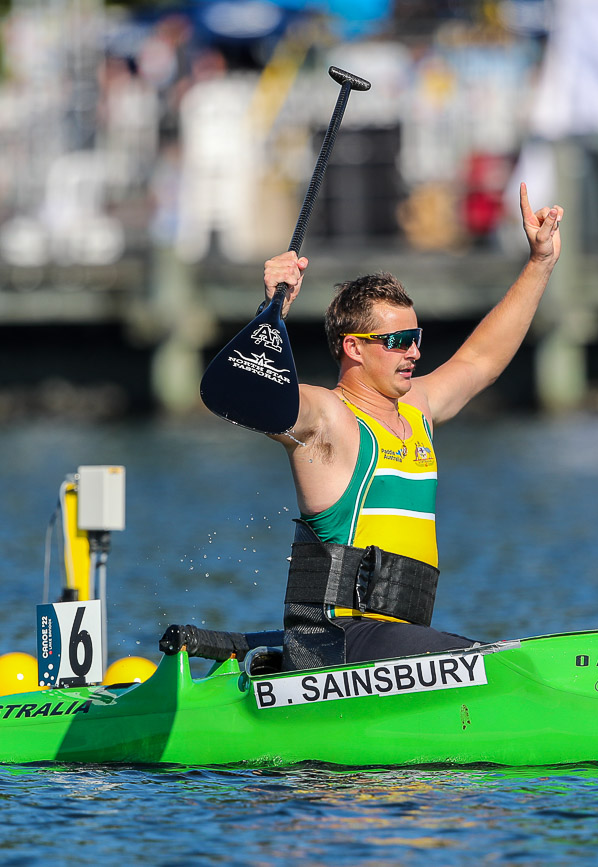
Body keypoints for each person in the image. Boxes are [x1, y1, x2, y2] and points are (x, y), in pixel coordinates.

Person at [237, 182, 561, 671]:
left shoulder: (418, 409)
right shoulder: (328, 418)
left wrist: (540, 262)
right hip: (334, 643)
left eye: (416, 337)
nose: (414, 351)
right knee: (502, 665)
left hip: (401, 646)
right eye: (399, 340)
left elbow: (480, 360)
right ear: (353, 347)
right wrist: (272, 312)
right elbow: (251, 395)